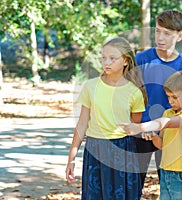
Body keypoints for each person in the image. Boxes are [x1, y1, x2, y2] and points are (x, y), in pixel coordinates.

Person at [65, 37, 147, 200]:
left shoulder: (134, 92)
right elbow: (81, 125)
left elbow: (134, 126)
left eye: (112, 58)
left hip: (123, 151)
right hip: (95, 148)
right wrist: (71, 159)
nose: (106, 62)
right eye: (103, 58)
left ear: (125, 61)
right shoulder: (90, 86)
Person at [135, 9, 182, 189]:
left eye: (167, 33)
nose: (160, 37)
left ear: (179, 36)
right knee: (133, 186)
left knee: (170, 185)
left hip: (170, 134)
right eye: (157, 31)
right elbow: (128, 96)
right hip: (141, 132)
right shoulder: (140, 60)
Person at [120, 71, 182, 199]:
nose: (170, 101)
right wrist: (154, 138)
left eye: (174, 97)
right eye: (168, 97)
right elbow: (162, 144)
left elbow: (166, 123)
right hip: (165, 170)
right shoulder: (168, 113)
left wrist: (140, 127)